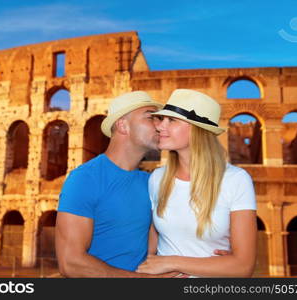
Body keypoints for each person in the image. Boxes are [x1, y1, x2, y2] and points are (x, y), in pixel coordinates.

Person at [136, 89, 257, 278]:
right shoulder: (157, 178)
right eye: (162, 119)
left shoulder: (236, 180)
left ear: (197, 129)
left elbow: (243, 268)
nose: (160, 126)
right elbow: (151, 254)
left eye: (172, 120)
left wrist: (172, 262)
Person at [55, 91, 174, 277]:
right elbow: (70, 263)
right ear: (123, 125)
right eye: (152, 117)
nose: (160, 125)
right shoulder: (85, 179)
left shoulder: (151, 182)